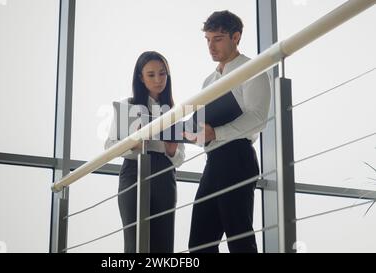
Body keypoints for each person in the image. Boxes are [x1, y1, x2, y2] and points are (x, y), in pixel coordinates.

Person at [184, 10, 271, 253]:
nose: (211, 46)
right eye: (208, 40)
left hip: (238, 157)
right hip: (213, 160)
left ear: (236, 37)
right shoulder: (208, 81)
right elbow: (204, 129)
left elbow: (258, 119)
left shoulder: (252, 69)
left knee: (239, 238)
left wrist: (217, 133)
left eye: (218, 39)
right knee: (200, 243)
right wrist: (192, 133)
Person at [105, 51, 185, 253]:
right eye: (151, 75)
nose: (158, 80)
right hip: (134, 170)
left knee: (163, 243)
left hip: (164, 174)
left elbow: (179, 156)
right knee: (135, 242)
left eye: (162, 73)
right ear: (140, 78)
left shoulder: (174, 110)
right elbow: (109, 146)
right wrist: (133, 142)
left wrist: (172, 149)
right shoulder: (128, 106)